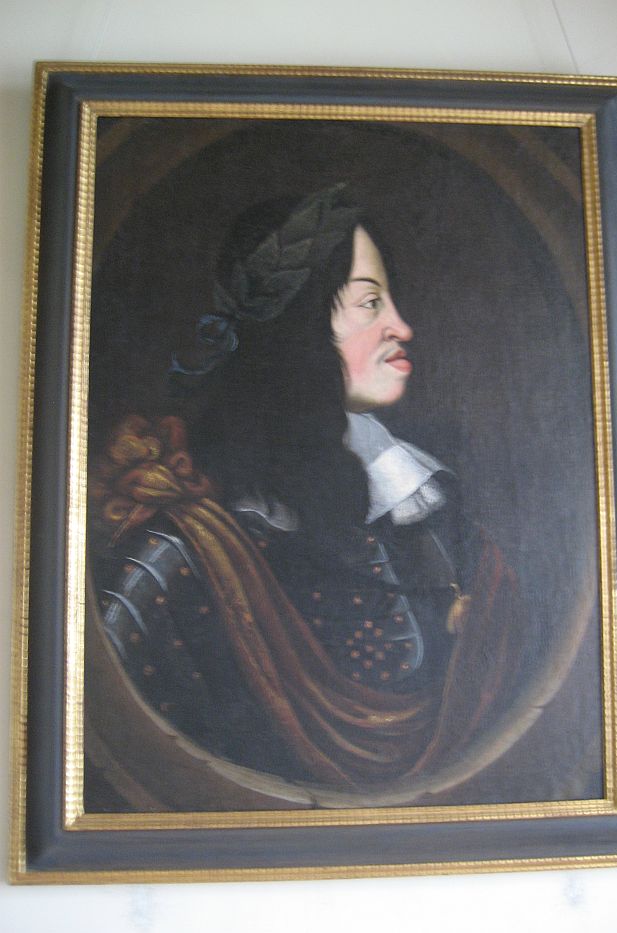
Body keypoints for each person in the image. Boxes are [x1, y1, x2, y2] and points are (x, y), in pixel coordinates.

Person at [89, 184, 522, 792]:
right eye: (370, 303)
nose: (401, 326)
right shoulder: (177, 557)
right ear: (299, 331)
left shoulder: (427, 515)